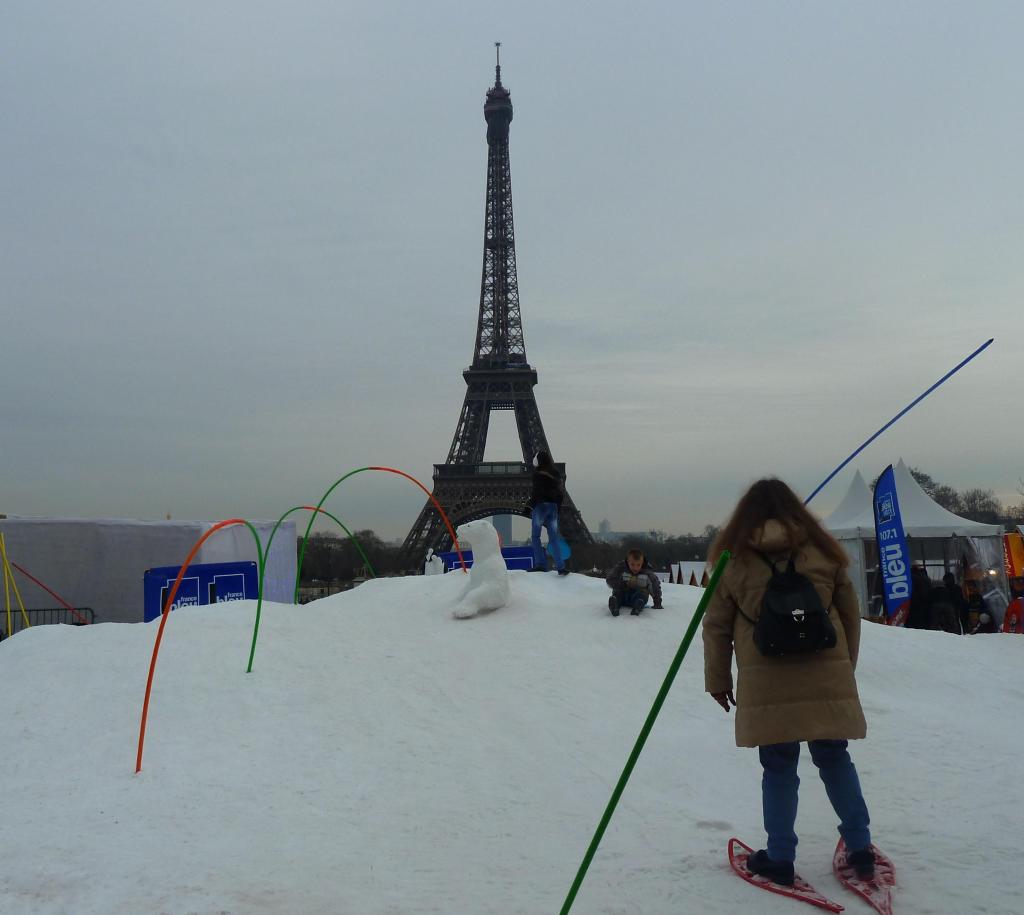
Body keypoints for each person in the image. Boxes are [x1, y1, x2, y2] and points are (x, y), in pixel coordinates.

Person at [702, 478, 876, 886]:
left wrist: (718, 680)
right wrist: (843, 667)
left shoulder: (733, 559)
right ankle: (860, 848)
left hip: (767, 681)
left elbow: (717, 626)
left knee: (778, 767)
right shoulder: (824, 550)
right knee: (835, 758)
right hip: (825, 672)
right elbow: (850, 613)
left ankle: (779, 857)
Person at [528, 450, 568, 575]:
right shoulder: (556, 473)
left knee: (535, 537)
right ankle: (561, 567)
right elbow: (560, 493)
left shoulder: (537, 474)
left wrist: (528, 505)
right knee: (554, 538)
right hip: (553, 507)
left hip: (540, 507)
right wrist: (558, 508)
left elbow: (536, 492)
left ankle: (540, 564)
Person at [605, 548, 663, 616]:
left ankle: (638, 606)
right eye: (632, 564)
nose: (635, 568)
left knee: (642, 595)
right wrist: (623, 584)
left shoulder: (647, 572)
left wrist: (657, 602)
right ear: (627, 561)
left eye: (638, 565)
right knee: (617, 593)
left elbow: (655, 586)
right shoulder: (621, 568)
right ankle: (614, 604)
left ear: (642, 562)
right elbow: (610, 579)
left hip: (638, 595)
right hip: (623, 594)